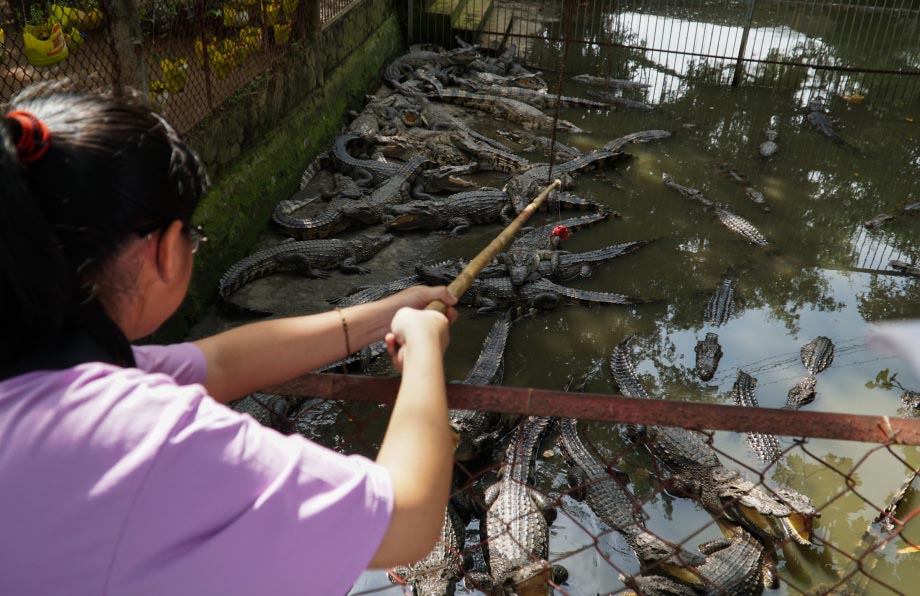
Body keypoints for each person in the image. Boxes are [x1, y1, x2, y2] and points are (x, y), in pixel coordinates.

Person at [0, 85, 459, 595]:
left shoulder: (40, 368)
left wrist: (384, 316)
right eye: (191, 235)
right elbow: (407, 518)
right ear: (161, 250)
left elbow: (216, 363)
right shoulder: (153, 435)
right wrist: (423, 356)